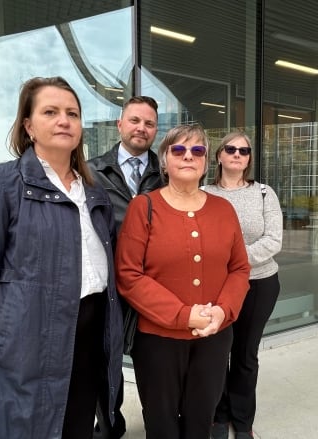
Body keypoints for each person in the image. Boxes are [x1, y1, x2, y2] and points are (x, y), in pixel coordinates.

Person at [0, 76, 123, 439]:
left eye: (72, 113)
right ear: (28, 126)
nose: (64, 120)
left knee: (76, 428)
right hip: (25, 348)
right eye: (51, 112)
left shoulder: (93, 193)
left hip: (89, 341)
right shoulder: (1, 184)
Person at [116, 124, 251, 439]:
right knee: (161, 423)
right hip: (158, 341)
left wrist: (223, 311)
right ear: (165, 160)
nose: (188, 156)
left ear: (206, 161)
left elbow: (239, 268)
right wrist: (182, 315)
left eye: (197, 150)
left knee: (200, 419)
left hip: (213, 338)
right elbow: (129, 274)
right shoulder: (143, 207)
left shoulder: (223, 209)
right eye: (178, 150)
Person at [87, 95, 164, 438]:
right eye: (134, 120)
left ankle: (161, 424)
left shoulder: (166, 173)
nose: (141, 128)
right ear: (120, 125)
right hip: (108, 287)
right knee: (106, 364)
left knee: (156, 363)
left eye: (148, 123)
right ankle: (109, 427)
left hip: (153, 285)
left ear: (155, 130)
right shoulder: (90, 171)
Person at [204, 131, 283, 439]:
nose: (238, 154)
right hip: (214, 287)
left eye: (244, 151)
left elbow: (273, 240)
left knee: (245, 355)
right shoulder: (203, 192)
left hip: (258, 284)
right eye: (231, 149)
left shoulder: (264, 193)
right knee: (214, 354)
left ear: (249, 159)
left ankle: (242, 419)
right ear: (219, 155)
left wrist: (234, 262)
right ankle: (218, 416)